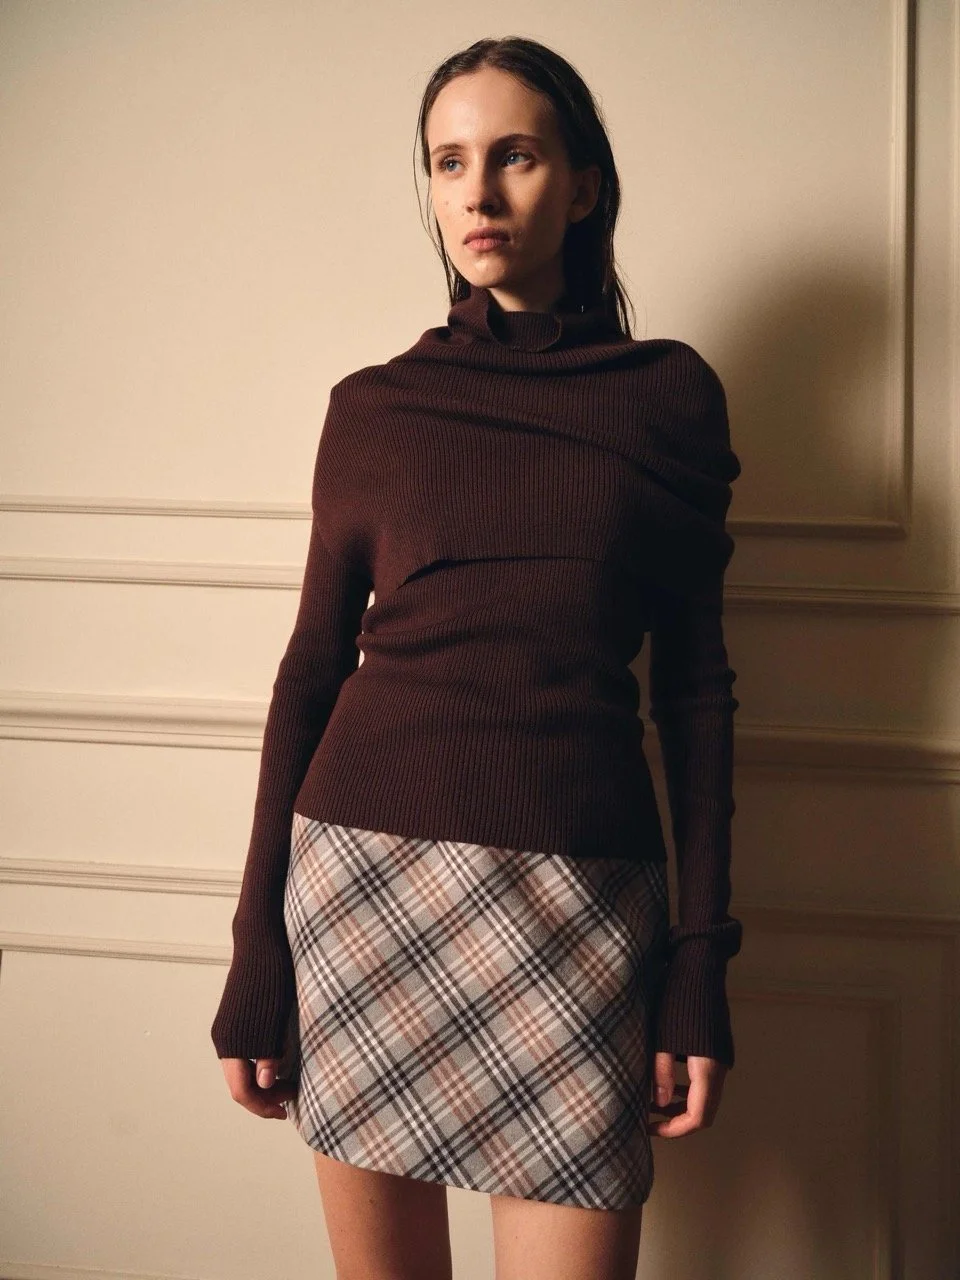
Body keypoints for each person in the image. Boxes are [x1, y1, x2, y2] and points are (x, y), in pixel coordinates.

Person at [211, 35, 743, 1280]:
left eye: (515, 155)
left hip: (581, 903)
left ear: (585, 184)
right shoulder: (375, 406)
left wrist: (699, 964)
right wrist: (255, 949)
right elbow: (309, 673)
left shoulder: (668, 397)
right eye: (449, 162)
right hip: (359, 885)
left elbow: (697, 695)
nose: (478, 192)